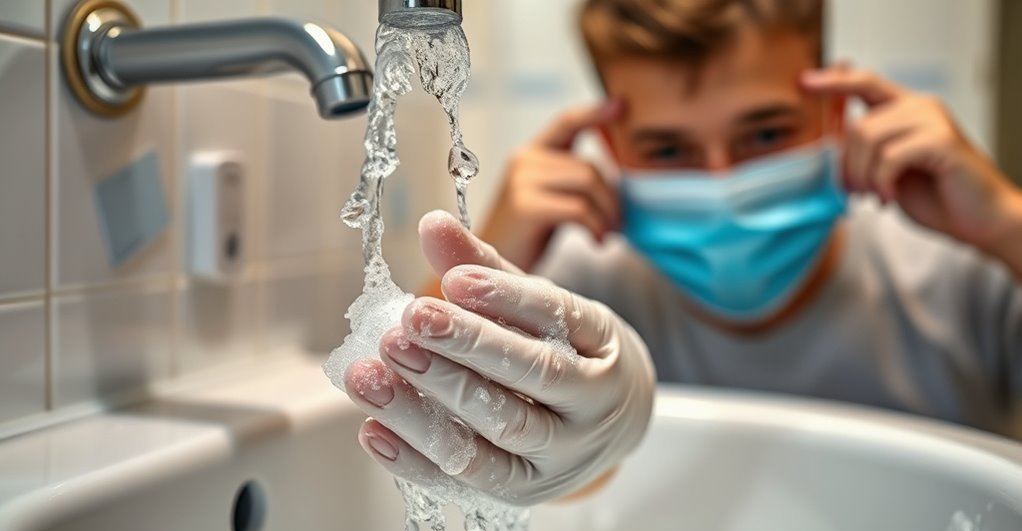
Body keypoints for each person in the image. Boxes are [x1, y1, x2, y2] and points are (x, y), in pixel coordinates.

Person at [345, 0, 1022, 505]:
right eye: (668, 149)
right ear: (612, 149)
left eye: (766, 134)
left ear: (834, 113)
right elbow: (396, 428)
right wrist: (489, 249)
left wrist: (1005, 222)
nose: (721, 180)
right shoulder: (577, 295)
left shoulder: (964, 273)